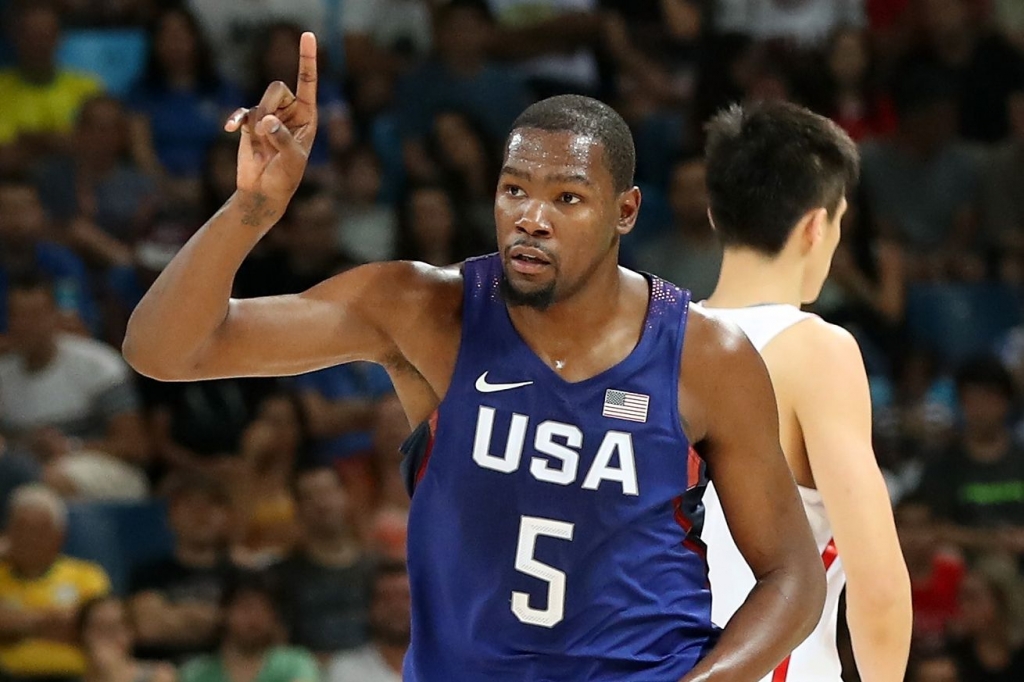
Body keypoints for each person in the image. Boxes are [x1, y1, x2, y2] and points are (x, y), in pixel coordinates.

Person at [122, 33, 826, 681]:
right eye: (514, 188)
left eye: (568, 197)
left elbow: (792, 575)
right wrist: (252, 207)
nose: (531, 217)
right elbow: (164, 351)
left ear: (625, 210)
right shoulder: (427, 310)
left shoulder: (705, 354)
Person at [698, 101, 913, 681]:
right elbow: (879, 584)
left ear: (716, 215)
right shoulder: (814, 350)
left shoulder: (648, 337)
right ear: (818, 226)